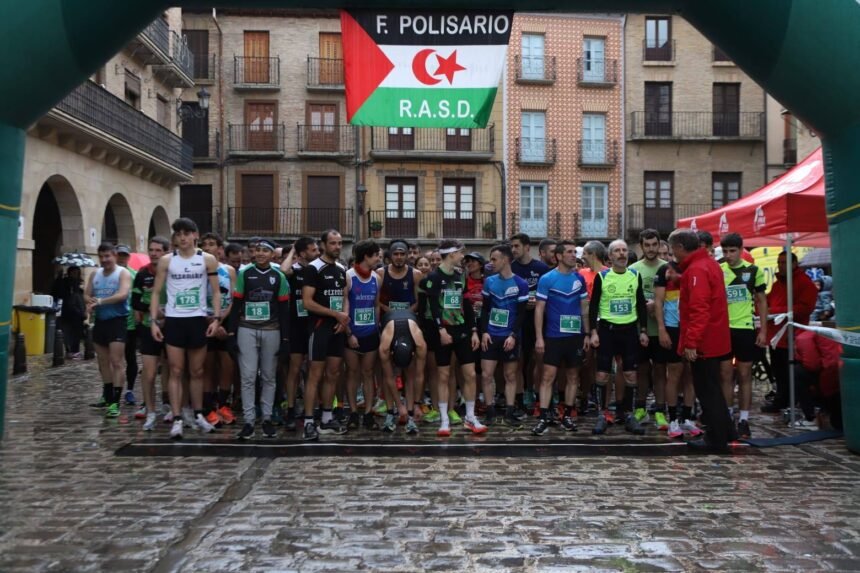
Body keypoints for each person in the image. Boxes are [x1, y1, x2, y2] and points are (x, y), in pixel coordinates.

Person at [150, 218, 222, 440]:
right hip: (174, 320)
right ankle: (178, 417)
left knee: (197, 371)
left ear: (195, 235)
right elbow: (155, 292)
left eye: (186, 233)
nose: (182, 237)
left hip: (197, 319)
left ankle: (199, 414)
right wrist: (153, 321)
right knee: (175, 370)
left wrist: (216, 319)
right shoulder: (166, 261)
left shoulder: (207, 260)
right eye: (178, 233)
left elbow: (216, 291)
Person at [668, 229, 732, 452]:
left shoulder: (697, 269)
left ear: (680, 248)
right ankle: (725, 430)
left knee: (707, 390)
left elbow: (699, 309)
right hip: (715, 337)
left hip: (705, 341)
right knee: (713, 387)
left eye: (673, 249)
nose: (672, 254)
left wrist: (691, 343)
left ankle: (715, 439)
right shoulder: (707, 264)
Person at [420, 239, 485, 436]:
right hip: (443, 332)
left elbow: (465, 305)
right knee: (444, 375)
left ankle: (470, 417)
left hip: (461, 330)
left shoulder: (460, 276)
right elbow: (433, 307)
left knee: (470, 374)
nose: (462, 257)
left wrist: (473, 330)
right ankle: (444, 420)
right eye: (459, 253)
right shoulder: (433, 277)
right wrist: (441, 330)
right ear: (450, 255)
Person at [227, 239, 290, 440]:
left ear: (273, 255)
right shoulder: (245, 273)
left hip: (272, 329)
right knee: (248, 375)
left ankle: (267, 418)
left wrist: (286, 338)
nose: (261, 254)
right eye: (258, 250)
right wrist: (231, 333)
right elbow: (237, 303)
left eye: (266, 251)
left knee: (269, 376)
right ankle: (248, 420)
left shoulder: (278, 276)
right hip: (247, 328)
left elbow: (283, 309)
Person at [588, 239, 649, 435]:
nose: (622, 254)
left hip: (629, 330)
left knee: (631, 373)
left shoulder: (635, 275)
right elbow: (593, 306)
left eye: (624, 250)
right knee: (603, 374)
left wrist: (643, 331)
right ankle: (601, 414)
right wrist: (593, 332)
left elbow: (640, 305)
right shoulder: (603, 277)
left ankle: (628, 414)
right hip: (607, 330)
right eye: (617, 251)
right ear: (610, 256)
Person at [533, 241, 590, 435]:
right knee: (548, 376)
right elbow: (539, 309)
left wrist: (588, 333)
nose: (574, 255)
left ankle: (566, 415)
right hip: (554, 336)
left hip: (575, 336)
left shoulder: (579, 279)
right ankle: (543, 417)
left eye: (575, 252)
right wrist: (539, 337)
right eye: (569, 252)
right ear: (558, 256)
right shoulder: (547, 279)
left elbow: (584, 308)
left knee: (573, 376)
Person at [718, 233, 768, 439]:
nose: (729, 255)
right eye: (726, 251)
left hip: (745, 328)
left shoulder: (753, 271)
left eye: (733, 251)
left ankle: (744, 420)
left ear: (741, 250)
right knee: (725, 375)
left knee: (746, 375)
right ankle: (728, 417)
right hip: (723, 330)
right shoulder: (718, 270)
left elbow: (762, 301)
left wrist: (763, 330)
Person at [301, 229, 349, 441]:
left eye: (339, 243)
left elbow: (345, 296)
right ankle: (309, 421)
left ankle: (327, 418)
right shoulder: (313, 269)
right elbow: (307, 302)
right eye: (332, 243)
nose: (337, 247)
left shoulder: (341, 269)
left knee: (333, 373)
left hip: (337, 328)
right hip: (319, 326)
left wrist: (344, 317)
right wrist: (335, 314)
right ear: (323, 245)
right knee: (315, 375)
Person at [478, 245, 529, 427]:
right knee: (486, 375)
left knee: (510, 375)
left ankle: (509, 411)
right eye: (490, 260)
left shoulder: (521, 284)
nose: (491, 263)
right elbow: (485, 309)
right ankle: (490, 412)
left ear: (505, 260)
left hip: (510, 336)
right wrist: (484, 332)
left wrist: (513, 335)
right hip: (491, 335)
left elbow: (522, 313)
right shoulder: (489, 282)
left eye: (494, 259)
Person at [762, 250, 818, 413]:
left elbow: (804, 308)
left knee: (790, 372)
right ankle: (782, 399)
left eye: (784, 262)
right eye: (779, 262)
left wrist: (776, 311)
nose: (780, 266)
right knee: (778, 371)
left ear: (794, 264)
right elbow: (769, 302)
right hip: (776, 336)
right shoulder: (777, 283)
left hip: (793, 336)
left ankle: (794, 401)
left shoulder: (804, 282)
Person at [653, 254, 702, 439]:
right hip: (672, 329)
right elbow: (658, 302)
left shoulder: (693, 270)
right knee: (674, 374)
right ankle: (673, 419)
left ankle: (687, 418)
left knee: (691, 373)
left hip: (690, 329)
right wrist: (662, 329)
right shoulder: (664, 270)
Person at [343, 240, 388, 430]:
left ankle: (369, 413)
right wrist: (348, 333)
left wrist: (376, 327)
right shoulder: (348, 276)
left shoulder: (376, 278)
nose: (379, 258)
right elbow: (344, 305)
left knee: (369, 373)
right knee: (353, 373)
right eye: (376, 255)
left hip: (370, 332)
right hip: (352, 333)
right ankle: (353, 412)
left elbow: (376, 304)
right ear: (366, 256)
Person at [85, 242, 133, 419]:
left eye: (108, 256)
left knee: (116, 361)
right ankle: (106, 395)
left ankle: (115, 401)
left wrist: (100, 302)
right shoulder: (95, 274)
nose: (105, 260)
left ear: (115, 256)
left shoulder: (122, 273)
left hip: (117, 321)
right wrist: (89, 302)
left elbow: (123, 294)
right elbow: (86, 294)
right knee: (103, 362)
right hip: (101, 322)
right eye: (102, 257)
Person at [630, 229, 668, 429]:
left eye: (655, 245)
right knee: (642, 370)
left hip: (662, 328)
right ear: (641, 246)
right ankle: (640, 407)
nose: (651, 249)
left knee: (661, 371)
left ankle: (661, 410)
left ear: (660, 245)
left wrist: (658, 304)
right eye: (647, 245)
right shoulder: (634, 269)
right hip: (641, 329)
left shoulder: (668, 268)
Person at [510, 233, 550, 415]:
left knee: (538, 358)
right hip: (518, 320)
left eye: (516, 246)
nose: (513, 250)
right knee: (517, 361)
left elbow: (549, 294)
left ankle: (537, 395)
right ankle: (520, 397)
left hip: (538, 319)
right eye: (512, 247)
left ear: (527, 247)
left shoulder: (541, 268)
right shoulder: (510, 268)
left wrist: (539, 303)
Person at [280, 237, 318, 429]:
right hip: (295, 325)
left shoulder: (316, 269)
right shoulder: (295, 269)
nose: (316, 253)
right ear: (303, 253)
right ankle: (291, 408)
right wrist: (293, 249)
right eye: (312, 250)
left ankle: (311, 408)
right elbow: (283, 270)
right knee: (294, 368)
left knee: (312, 369)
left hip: (313, 324)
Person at [200, 232, 237, 428]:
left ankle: (223, 404)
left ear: (219, 249)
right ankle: (208, 408)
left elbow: (233, 298)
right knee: (207, 366)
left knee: (227, 365)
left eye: (211, 244)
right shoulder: (197, 270)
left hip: (225, 322)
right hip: (203, 322)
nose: (207, 247)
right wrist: (211, 322)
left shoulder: (228, 270)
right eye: (204, 244)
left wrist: (220, 322)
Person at [378, 308, 428, 434]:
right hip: (389, 323)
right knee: (389, 375)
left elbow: (419, 376)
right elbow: (389, 378)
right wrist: (399, 405)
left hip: (410, 325)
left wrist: (417, 404)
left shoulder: (419, 343)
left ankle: (410, 414)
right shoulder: (385, 346)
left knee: (410, 375)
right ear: (392, 353)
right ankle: (390, 413)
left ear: (413, 352)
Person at [115, 245, 139, 406]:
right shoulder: (110, 274)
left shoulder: (134, 275)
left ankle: (129, 390)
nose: (122, 258)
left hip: (131, 323)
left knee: (130, 358)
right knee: (114, 360)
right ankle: (111, 390)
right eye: (119, 255)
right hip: (114, 322)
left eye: (125, 255)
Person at [55, 265, 86, 359]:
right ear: (69, 273)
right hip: (70, 311)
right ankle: (71, 351)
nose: (76, 274)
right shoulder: (65, 283)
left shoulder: (78, 283)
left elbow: (80, 295)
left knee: (77, 332)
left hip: (77, 311)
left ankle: (74, 351)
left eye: (77, 272)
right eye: (74, 272)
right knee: (69, 332)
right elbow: (61, 294)